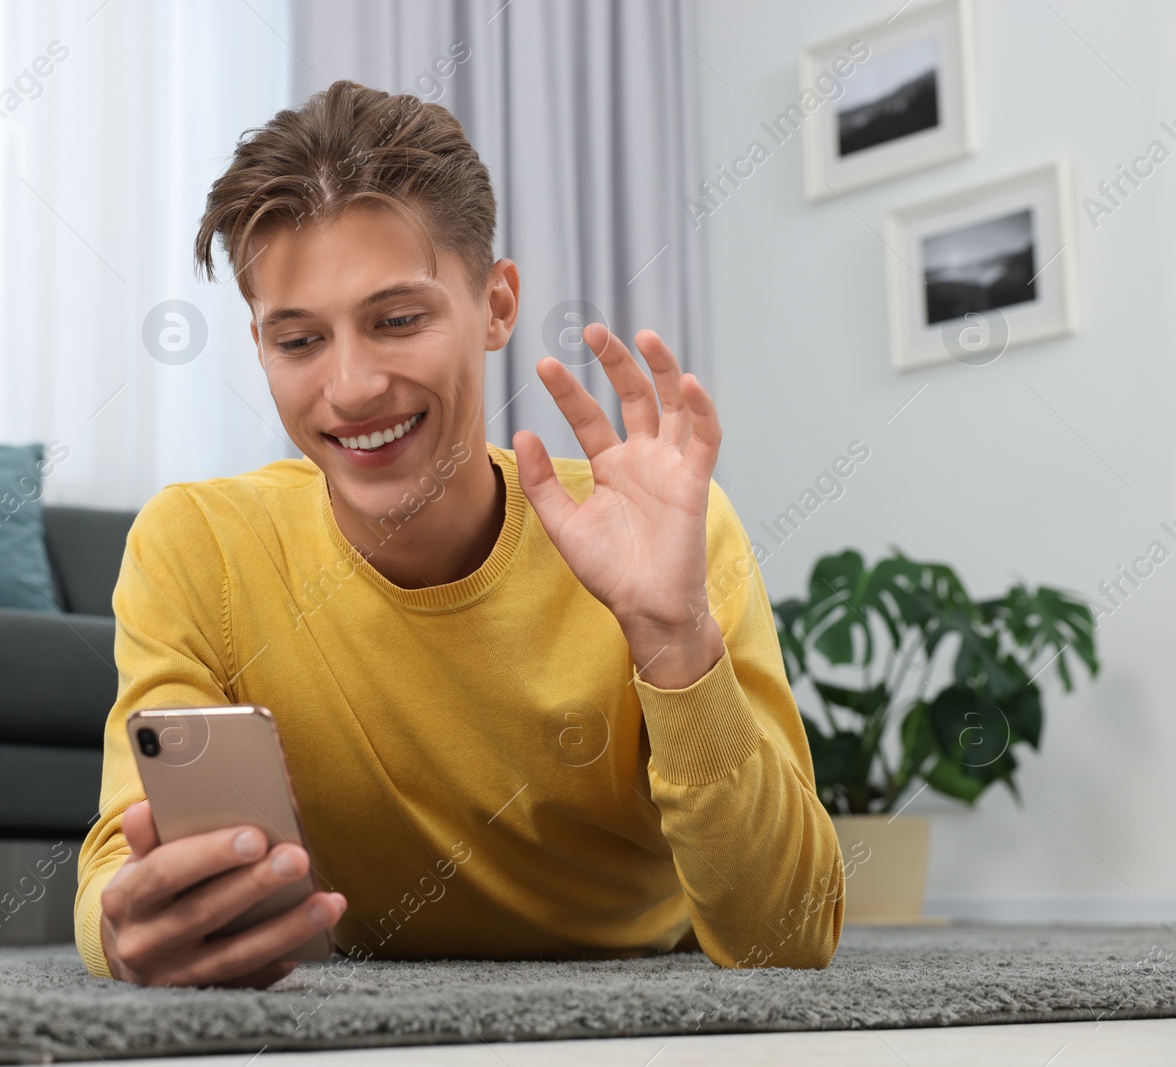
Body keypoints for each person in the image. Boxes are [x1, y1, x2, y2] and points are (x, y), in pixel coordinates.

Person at [75, 79, 844, 988]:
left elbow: (787, 936)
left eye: (397, 320)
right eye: (298, 341)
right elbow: (120, 858)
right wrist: (126, 927)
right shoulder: (198, 544)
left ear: (497, 306)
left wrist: (674, 640)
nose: (352, 386)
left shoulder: (659, 533)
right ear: (258, 345)